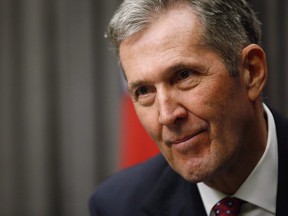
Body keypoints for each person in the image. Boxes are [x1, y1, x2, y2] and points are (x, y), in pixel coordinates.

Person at [89, 0, 288, 215]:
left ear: (251, 71)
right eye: (144, 91)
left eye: (184, 75)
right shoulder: (117, 206)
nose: (166, 115)